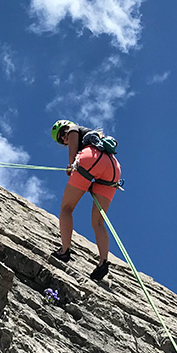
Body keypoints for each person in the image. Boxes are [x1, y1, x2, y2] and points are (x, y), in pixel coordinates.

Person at [50, 119, 122, 281]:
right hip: (113, 169)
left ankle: (64, 251)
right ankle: (103, 262)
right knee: (98, 222)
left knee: (66, 208)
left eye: (62, 134)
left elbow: (73, 159)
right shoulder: (98, 139)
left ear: (66, 127)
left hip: (90, 160)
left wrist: (71, 167)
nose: (64, 139)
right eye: (61, 140)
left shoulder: (74, 129)